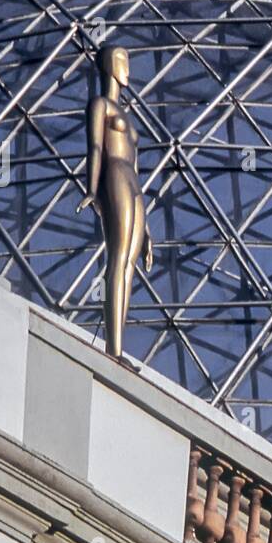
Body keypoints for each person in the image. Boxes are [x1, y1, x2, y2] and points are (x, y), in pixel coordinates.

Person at [78, 44, 152, 361]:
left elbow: (136, 164)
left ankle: (118, 345)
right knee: (118, 258)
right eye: (122, 58)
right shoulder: (100, 105)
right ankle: (114, 349)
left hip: (133, 183)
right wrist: (93, 189)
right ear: (108, 64)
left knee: (130, 266)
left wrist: (147, 230)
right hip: (115, 176)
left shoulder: (127, 115)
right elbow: (96, 147)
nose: (127, 67)